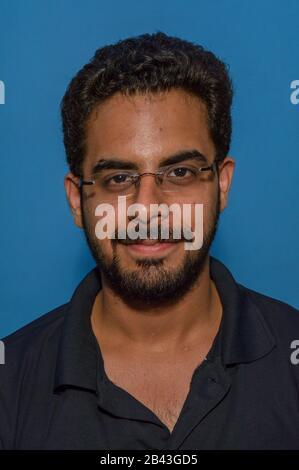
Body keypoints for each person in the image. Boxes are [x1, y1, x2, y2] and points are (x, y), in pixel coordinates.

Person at [1, 32, 298, 450]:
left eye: (179, 173)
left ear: (222, 184)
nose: (147, 209)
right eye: (119, 178)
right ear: (76, 199)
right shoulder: (9, 381)